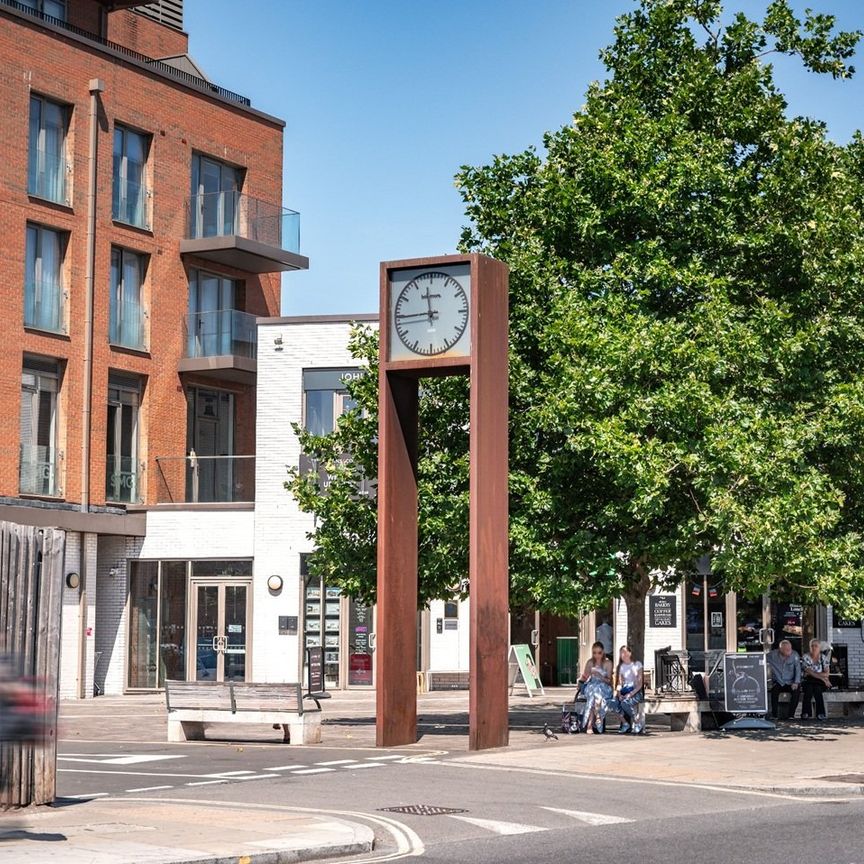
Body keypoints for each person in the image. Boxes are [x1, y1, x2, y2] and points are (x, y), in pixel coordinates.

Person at [578, 642, 614, 734]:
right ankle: (597, 717)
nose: (597, 655)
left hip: (604, 687)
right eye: (594, 653)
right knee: (594, 692)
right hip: (591, 686)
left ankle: (589, 724)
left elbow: (609, 681)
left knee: (596, 692)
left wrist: (600, 676)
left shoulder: (608, 663)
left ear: (603, 652)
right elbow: (585, 677)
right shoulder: (590, 662)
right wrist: (583, 678)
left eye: (599, 652)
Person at [612, 645, 645, 734]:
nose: (623, 654)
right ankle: (625, 723)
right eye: (621, 653)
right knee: (613, 703)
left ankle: (637, 722)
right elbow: (619, 683)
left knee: (625, 703)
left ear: (630, 653)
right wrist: (619, 694)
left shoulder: (637, 664)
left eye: (625, 652)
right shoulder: (621, 667)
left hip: (635, 692)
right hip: (625, 690)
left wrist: (630, 694)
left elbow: (639, 684)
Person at [767, 639, 801, 720]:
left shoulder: (795, 655)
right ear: (780, 649)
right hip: (779, 681)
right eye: (787, 650)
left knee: (796, 691)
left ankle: (791, 715)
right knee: (774, 691)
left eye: (790, 649)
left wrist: (796, 682)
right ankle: (774, 715)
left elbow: (798, 669)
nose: (790, 651)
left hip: (791, 682)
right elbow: (761, 658)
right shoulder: (773, 655)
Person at [801, 639, 832, 721]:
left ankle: (820, 714)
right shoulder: (805, 657)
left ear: (819, 648)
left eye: (816, 646)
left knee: (817, 689)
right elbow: (807, 672)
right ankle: (806, 713)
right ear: (809, 647)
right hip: (808, 681)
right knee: (809, 689)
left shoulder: (823, 657)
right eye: (812, 646)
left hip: (819, 683)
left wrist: (813, 674)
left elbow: (826, 673)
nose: (814, 648)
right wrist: (824, 679)